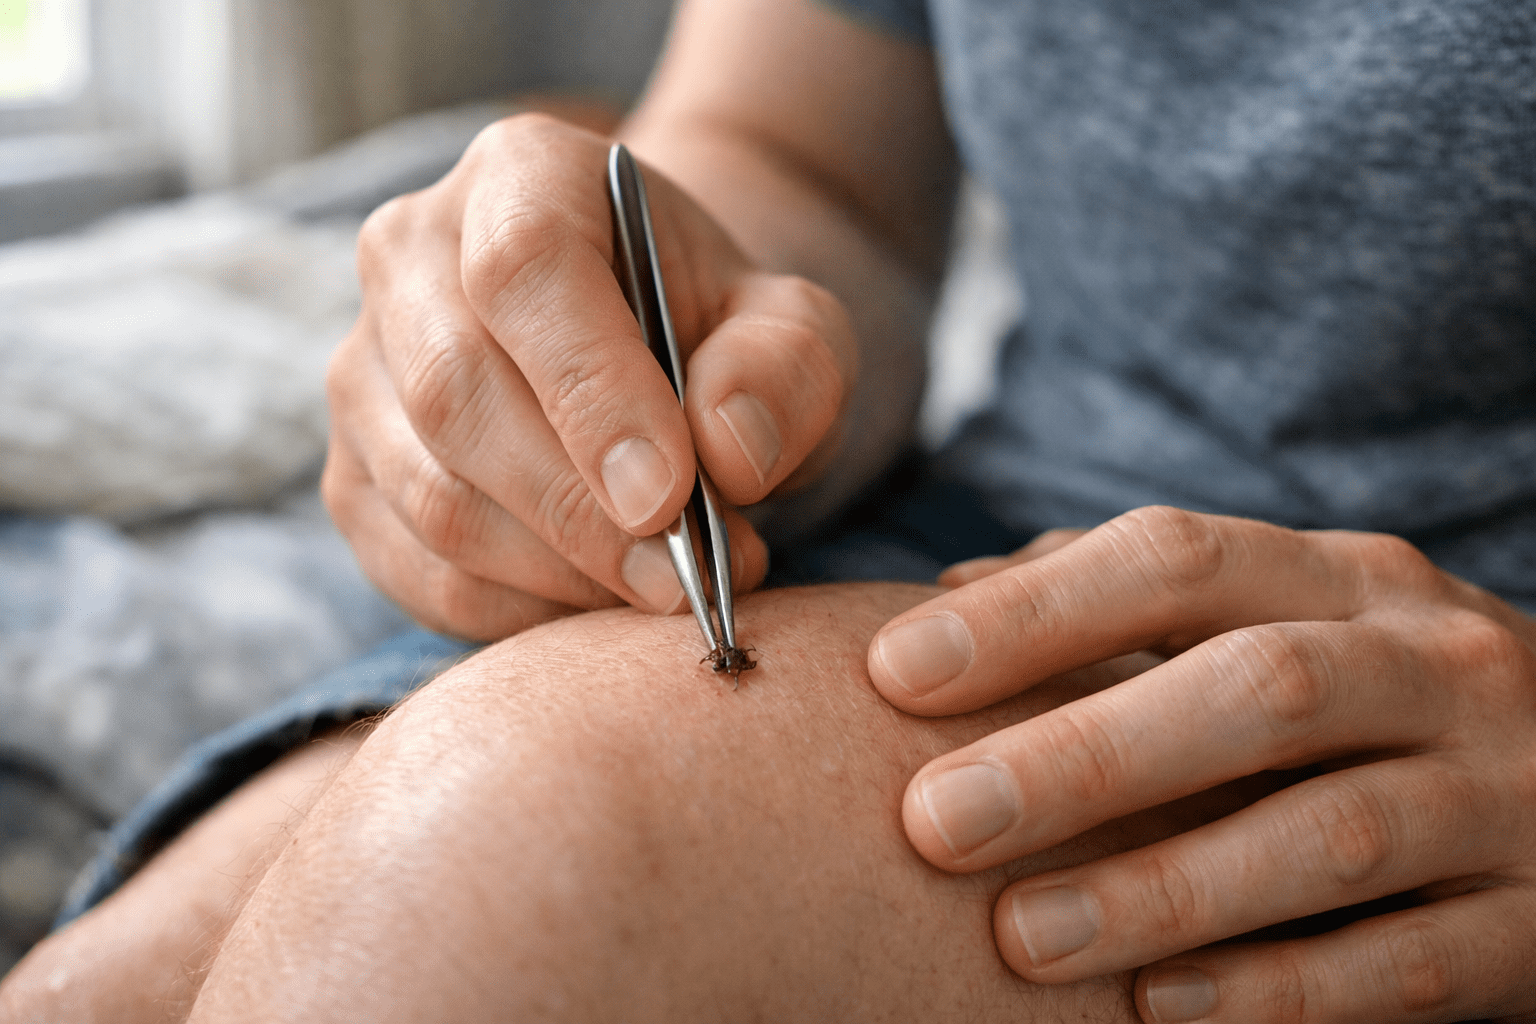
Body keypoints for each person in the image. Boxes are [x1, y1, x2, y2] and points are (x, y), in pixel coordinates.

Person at [4, 0, 1536, 1020]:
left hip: (1472, 715)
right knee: (99, 993)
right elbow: (811, 156)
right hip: (992, 514)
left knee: (477, 895)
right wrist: (684, 319)